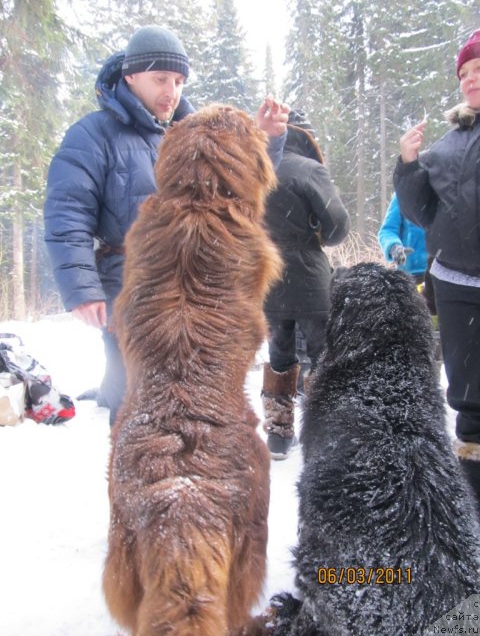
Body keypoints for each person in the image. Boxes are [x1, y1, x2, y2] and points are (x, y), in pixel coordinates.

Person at [44, 25, 289, 426]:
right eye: (160, 79)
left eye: (178, 81)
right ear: (130, 76)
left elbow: (239, 192)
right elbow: (67, 211)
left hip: (194, 292)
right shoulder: (93, 135)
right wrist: (82, 288)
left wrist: (267, 138)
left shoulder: (188, 133)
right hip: (129, 288)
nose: (171, 91)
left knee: (192, 403)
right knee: (135, 405)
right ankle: (135, 483)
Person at [393, 29, 480, 513]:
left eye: (477, 69)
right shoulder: (448, 145)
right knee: (468, 396)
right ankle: (471, 505)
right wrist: (407, 166)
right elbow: (421, 211)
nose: (469, 80)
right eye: (464, 73)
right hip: (457, 283)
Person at [261, 109, 351, 459]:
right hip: (311, 277)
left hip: (267, 278)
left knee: (279, 357)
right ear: (308, 138)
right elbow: (338, 226)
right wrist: (316, 232)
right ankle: (324, 434)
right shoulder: (310, 169)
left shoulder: (258, 169)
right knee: (323, 356)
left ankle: (279, 435)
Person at [377, 192, 436, 316]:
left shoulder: (447, 192)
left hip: (442, 276)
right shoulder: (403, 195)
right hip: (410, 279)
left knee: (438, 328)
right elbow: (387, 231)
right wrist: (394, 247)